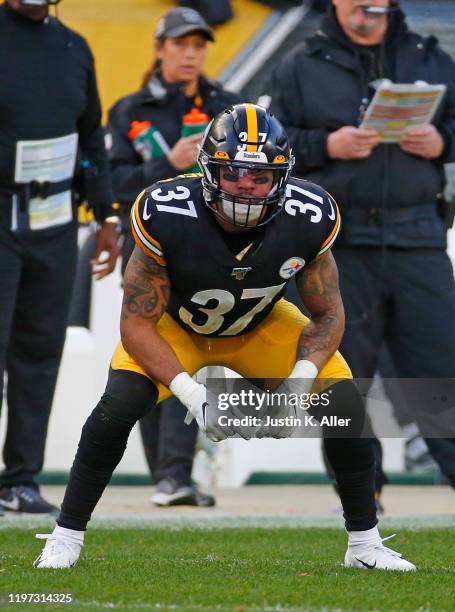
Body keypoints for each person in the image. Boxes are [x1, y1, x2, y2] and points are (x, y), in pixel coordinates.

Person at [33, 103, 415, 571]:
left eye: (260, 177)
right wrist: (192, 395)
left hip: (262, 324)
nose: (246, 187)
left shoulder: (308, 213)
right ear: (209, 168)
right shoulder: (166, 209)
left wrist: (300, 378)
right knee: (117, 404)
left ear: (283, 177)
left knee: (344, 406)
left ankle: (364, 544)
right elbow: (136, 322)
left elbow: (329, 314)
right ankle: (66, 534)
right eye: (233, 172)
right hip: (180, 326)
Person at [268, 0, 455, 495]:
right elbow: (273, 146)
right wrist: (327, 147)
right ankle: (360, 493)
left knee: (443, 367)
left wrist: (443, 141)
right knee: (341, 375)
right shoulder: (300, 63)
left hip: (418, 236)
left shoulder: (429, 56)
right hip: (338, 243)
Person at [106, 6, 240, 506]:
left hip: (209, 251)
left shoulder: (226, 106)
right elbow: (113, 185)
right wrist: (169, 164)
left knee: (198, 357)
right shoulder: (127, 110)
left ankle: (175, 476)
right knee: (148, 356)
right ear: (160, 47)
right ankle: (166, 476)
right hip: (144, 247)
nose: (190, 54)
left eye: (198, 45)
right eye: (181, 44)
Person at [0, 0, 119, 515]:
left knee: (39, 352)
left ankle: (18, 479)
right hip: (2, 208)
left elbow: (91, 134)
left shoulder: (73, 46)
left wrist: (108, 215)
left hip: (55, 219)